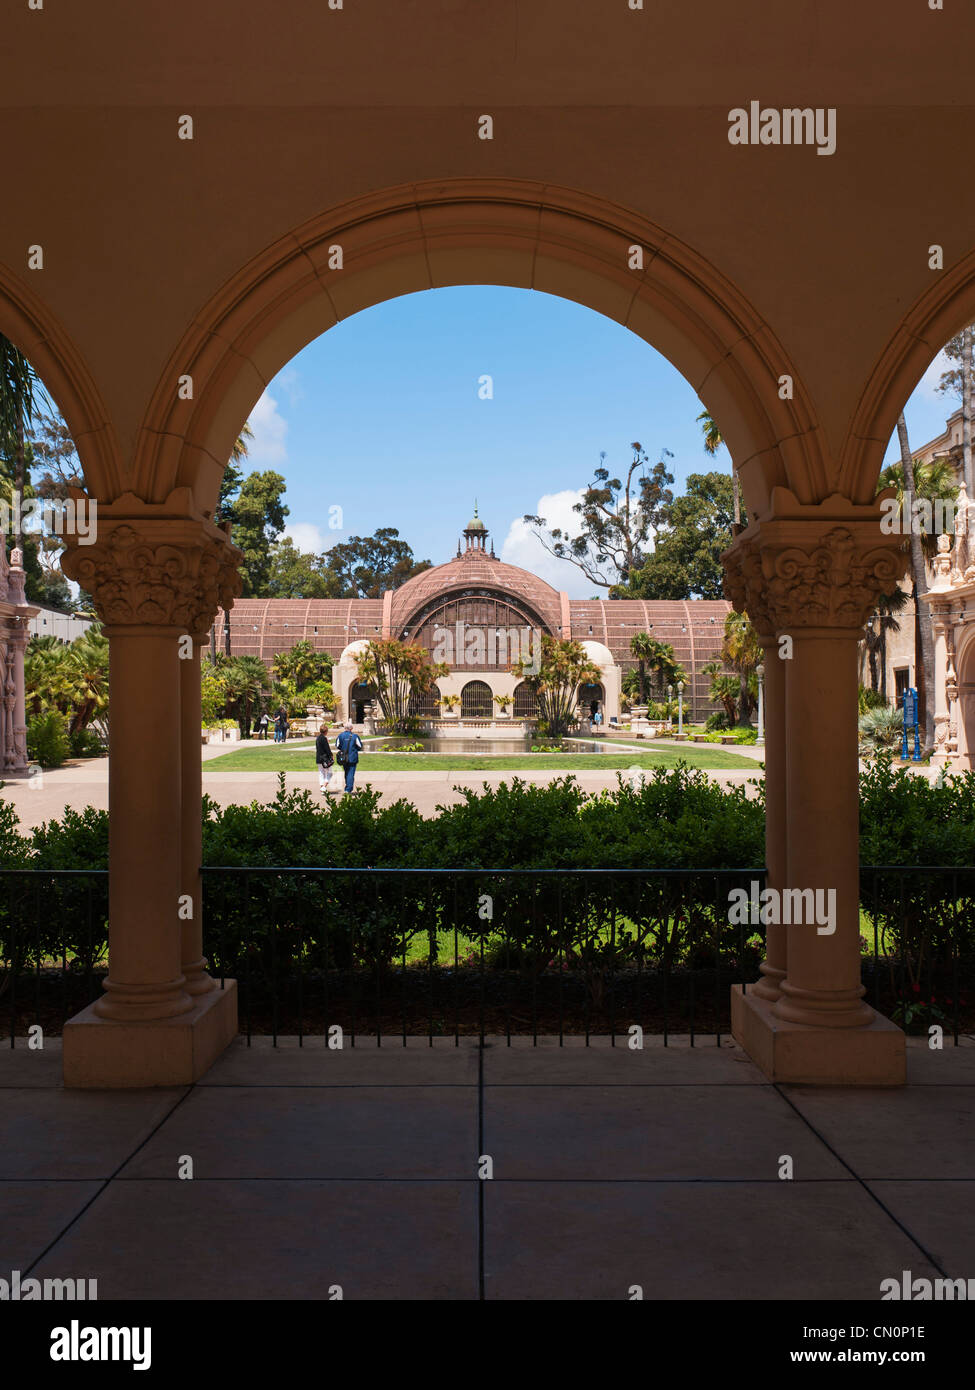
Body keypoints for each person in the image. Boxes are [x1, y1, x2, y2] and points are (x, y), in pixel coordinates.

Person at [335, 720, 363, 793]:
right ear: (351, 728)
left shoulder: (340, 736)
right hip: (352, 757)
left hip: (343, 757)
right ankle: (348, 789)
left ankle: (347, 786)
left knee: (346, 772)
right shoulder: (355, 736)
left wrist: (342, 749)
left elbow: (337, 745)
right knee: (351, 773)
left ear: (344, 728)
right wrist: (355, 749)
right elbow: (360, 746)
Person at [315, 722, 334, 795]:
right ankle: (324, 786)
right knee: (329, 773)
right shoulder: (324, 738)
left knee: (321, 773)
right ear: (326, 731)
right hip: (324, 758)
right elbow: (327, 749)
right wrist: (331, 755)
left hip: (319, 758)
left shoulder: (318, 738)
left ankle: (322, 787)